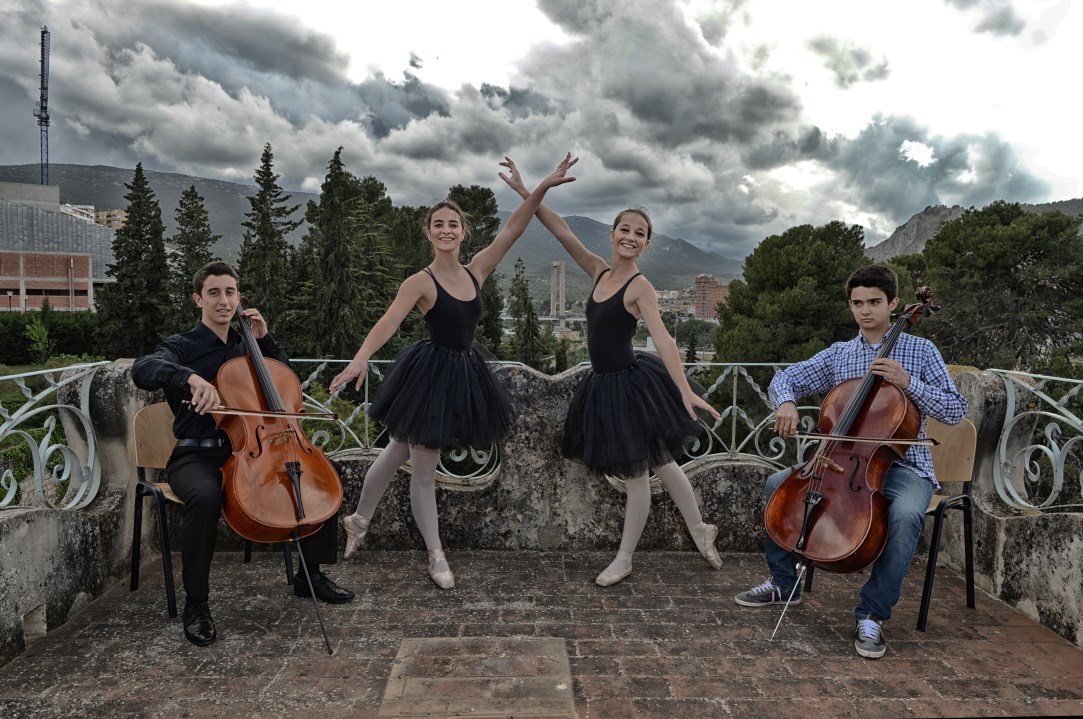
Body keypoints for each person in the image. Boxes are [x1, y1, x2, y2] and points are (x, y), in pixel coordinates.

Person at [328, 153, 577, 589]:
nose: (446, 230)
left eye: (453, 224)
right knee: (421, 469)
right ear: (429, 233)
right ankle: (435, 555)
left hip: (463, 373)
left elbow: (514, 228)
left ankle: (359, 520)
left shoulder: (476, 270)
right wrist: (359, 359)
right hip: (430, 376)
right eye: (438, 224)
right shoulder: (420, 282)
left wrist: (539, 187)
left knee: (395, 452)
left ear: (464, 233)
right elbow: (387, 323)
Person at [497, 157, 723, 588]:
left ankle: (624, 558)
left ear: (646, 243)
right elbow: (561, 230)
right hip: (603, 385)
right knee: (663, 464)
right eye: (626, 229)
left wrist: (684, 391)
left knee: (641, 474)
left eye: (640, 233)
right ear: (612, 233)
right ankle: (700, 531)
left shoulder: (640, 287)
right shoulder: (598, 270)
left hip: (631, 384)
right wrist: (531, 191)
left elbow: (663, 339)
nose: (631, 237)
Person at [733, 264, 968, 659]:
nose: (865, 311)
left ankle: (871, 613)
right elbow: (784, 378)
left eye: (874, 302)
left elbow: (955, 410)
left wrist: (908, 383)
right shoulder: (840, 354)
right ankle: (781, 582)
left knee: (907, 514)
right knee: (777, 485)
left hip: (905, 467)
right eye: (857, 303)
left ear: (893, 304)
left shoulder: (922, 351)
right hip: (841, 464)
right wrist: (786, 402)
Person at [132, 261, 354, 647]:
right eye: (214, 292)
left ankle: (309, 575)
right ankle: (197, 603)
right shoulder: (181, 346)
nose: (223, 300)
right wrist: (188, 376)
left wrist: (265, 340)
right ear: (198, 298)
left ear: (239, 298)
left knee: (321, 470)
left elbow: (283, 387)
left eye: (230, 292)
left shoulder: (246, 346)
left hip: (255, 451)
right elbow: (143, 368)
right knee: (204, 496)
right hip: (196, 456)